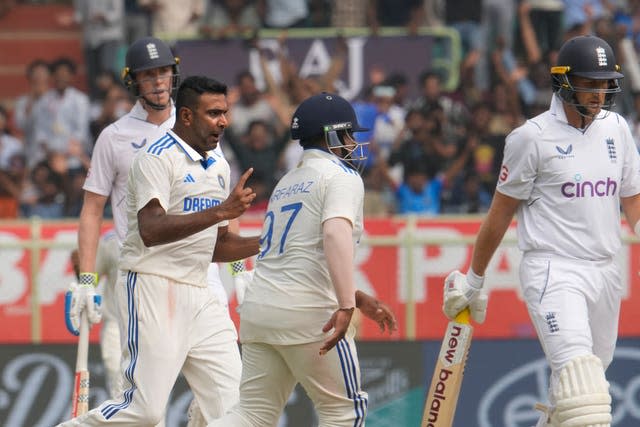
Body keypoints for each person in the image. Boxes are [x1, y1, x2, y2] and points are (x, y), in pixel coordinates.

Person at [441, 35, 640, 427]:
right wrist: (475, 281)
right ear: (564, 82)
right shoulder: (530, 138)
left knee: (571, 400)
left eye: (603, 83)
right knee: (586, 397)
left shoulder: (616, 128)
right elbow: (499, 215)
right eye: (589, 82)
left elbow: (632, 196)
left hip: (606, 270)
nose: (599, 92)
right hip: (554, 271)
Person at [58, 75, 259, 427]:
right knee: (144, 411)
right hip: (153, 287)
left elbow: (218, 245)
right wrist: (222, 211)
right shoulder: (156, 157)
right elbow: (151, 230)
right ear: (186, 117)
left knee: (235, 409)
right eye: (213, 113)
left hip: (202, 292)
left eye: (224, 112)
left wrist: (269, 242)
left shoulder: (220, 167)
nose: (223, 121)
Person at [207, 93, 397, 427]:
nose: (354, 142)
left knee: (251, 414)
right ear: (332, 134)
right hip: (311, 314)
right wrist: (345, 305)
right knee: (344, 412)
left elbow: (298, 256)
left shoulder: (286, 182)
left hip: (259, 310)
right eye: (349, 134)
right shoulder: (342, 176)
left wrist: (357, 298)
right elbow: (334, 236)